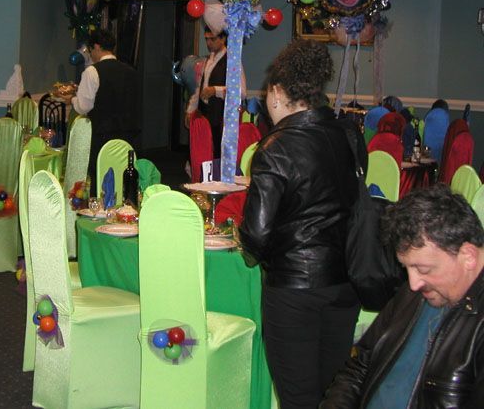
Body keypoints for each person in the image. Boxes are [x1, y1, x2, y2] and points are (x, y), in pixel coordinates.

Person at [239, 39, 363, 409]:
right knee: (334, 393)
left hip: (295, 290)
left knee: (298, 398)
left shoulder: (275, 147)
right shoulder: (349, 136)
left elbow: (256, 235)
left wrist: (239, 235)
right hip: (345, 282)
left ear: (277, 93)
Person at [322, 185, 484, 408]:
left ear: (468, 256)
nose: (414, 283)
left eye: (424, 269)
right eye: (407, 268)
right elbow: (360, 365)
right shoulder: (420, 291)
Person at [70, 29, 140, 193]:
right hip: (128, 135)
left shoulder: (92, 71)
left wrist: (71, 100)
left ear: (96, 47)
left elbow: (83, 106)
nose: (91, 55)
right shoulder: (131, 72)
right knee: (124, 180)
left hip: (102, 135)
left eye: (91, 50)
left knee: (100, 180)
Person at [186, 26, 246, 159]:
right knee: (203, 154)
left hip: (221, 118)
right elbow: (199, 87)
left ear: (223, 38)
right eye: (206, 39)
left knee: (219, 156)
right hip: (205, 114)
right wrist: (191, 110)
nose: (208, 43)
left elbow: (241, 92)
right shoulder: (208, 60)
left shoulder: (232, 60)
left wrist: (215, 90)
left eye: (212, 39)